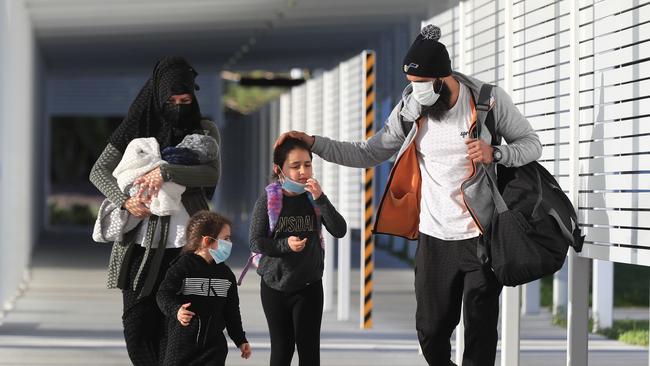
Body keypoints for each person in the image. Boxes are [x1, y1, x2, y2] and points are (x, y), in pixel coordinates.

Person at [275, 25, 542, 366]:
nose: (415, 91)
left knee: (480, 330)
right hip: (435, 237)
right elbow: (369, 152)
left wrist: (497, 154)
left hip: (483, 235)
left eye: (421, 85)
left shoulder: (487, 100)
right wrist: (315, 143)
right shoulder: (411, 107)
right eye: (411, 84)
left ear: (442, 79)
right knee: (430, 331)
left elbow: (532, 145)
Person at [89, 56, 221, 366]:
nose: (178, 106)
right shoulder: (135, 131)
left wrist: (167, 172)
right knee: (136, 329)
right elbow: (99, 171)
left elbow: (211, 174)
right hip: (139, 249)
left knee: (177, 332)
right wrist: (125, 200)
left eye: (185, 99)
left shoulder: (204, 131)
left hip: (188, 248)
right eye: (171, 100)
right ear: (158, 98)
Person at [249, 137, 347, 366]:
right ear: (279, 169)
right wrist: (285, 245)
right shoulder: (269, 199)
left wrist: (321, 198)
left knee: (309, 351)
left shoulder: (313, 199)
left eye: (307, 164)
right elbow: (256, 242)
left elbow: (339, 230)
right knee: (282, 351)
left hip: (309, 286)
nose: (303, 171)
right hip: (275, 286)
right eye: (295, 166)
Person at [156, 211, 252, 366]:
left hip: (214, 348)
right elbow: (163, 294)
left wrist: (240, 339)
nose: (230, 243)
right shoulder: (183, 267)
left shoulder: (226, 275)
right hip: (182, 344)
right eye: (225, 239)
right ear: (207, 240)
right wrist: (176, 310)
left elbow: (232, 312)